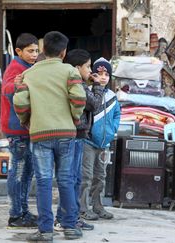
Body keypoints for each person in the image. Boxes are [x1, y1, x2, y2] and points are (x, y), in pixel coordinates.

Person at [13, 31, 87, 241]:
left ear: (43, 50)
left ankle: (45, 231)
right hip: (65, 133)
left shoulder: (31, 73)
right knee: (66, 179)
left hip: (39, 134)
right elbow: (79, 98)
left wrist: (26, 121)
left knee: (44, 181)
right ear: (64, 52)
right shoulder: (69, 72)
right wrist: (74, 118)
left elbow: (20, 102)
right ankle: (70, 227)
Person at [54, 49, 104, 232]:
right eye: (88, 67)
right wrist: (97, 85)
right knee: (72, 179)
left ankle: (68, 217)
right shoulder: (78, 85)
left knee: (73, 179)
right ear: (77, 68)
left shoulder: (72, 82)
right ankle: (67, 218)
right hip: (74, 135)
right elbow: (94, 104)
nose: (91, 71)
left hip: (75, 135)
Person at [0, 33, 39, 228]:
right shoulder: (16, 67)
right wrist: (14, 86)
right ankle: (15, 215)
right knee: (19, 172)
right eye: (30, 51)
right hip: (17, 130)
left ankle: (23, 211)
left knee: (26, 172)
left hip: (26, 130)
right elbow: (6, 88)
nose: (34, 54)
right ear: (18, 51)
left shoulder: (29, 67)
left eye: (36, 51)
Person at [79, 57, 121, 220]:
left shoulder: (112, 96)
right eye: (99, 73)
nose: (103, 77)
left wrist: (113, 130)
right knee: (86, 176)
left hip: (105, 143)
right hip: (88, 142)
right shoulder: (88, 92)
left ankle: (98, 206)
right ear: (92, 75)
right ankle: (83, 207)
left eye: (106, 74)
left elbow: (117, 114)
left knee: (101, 176)